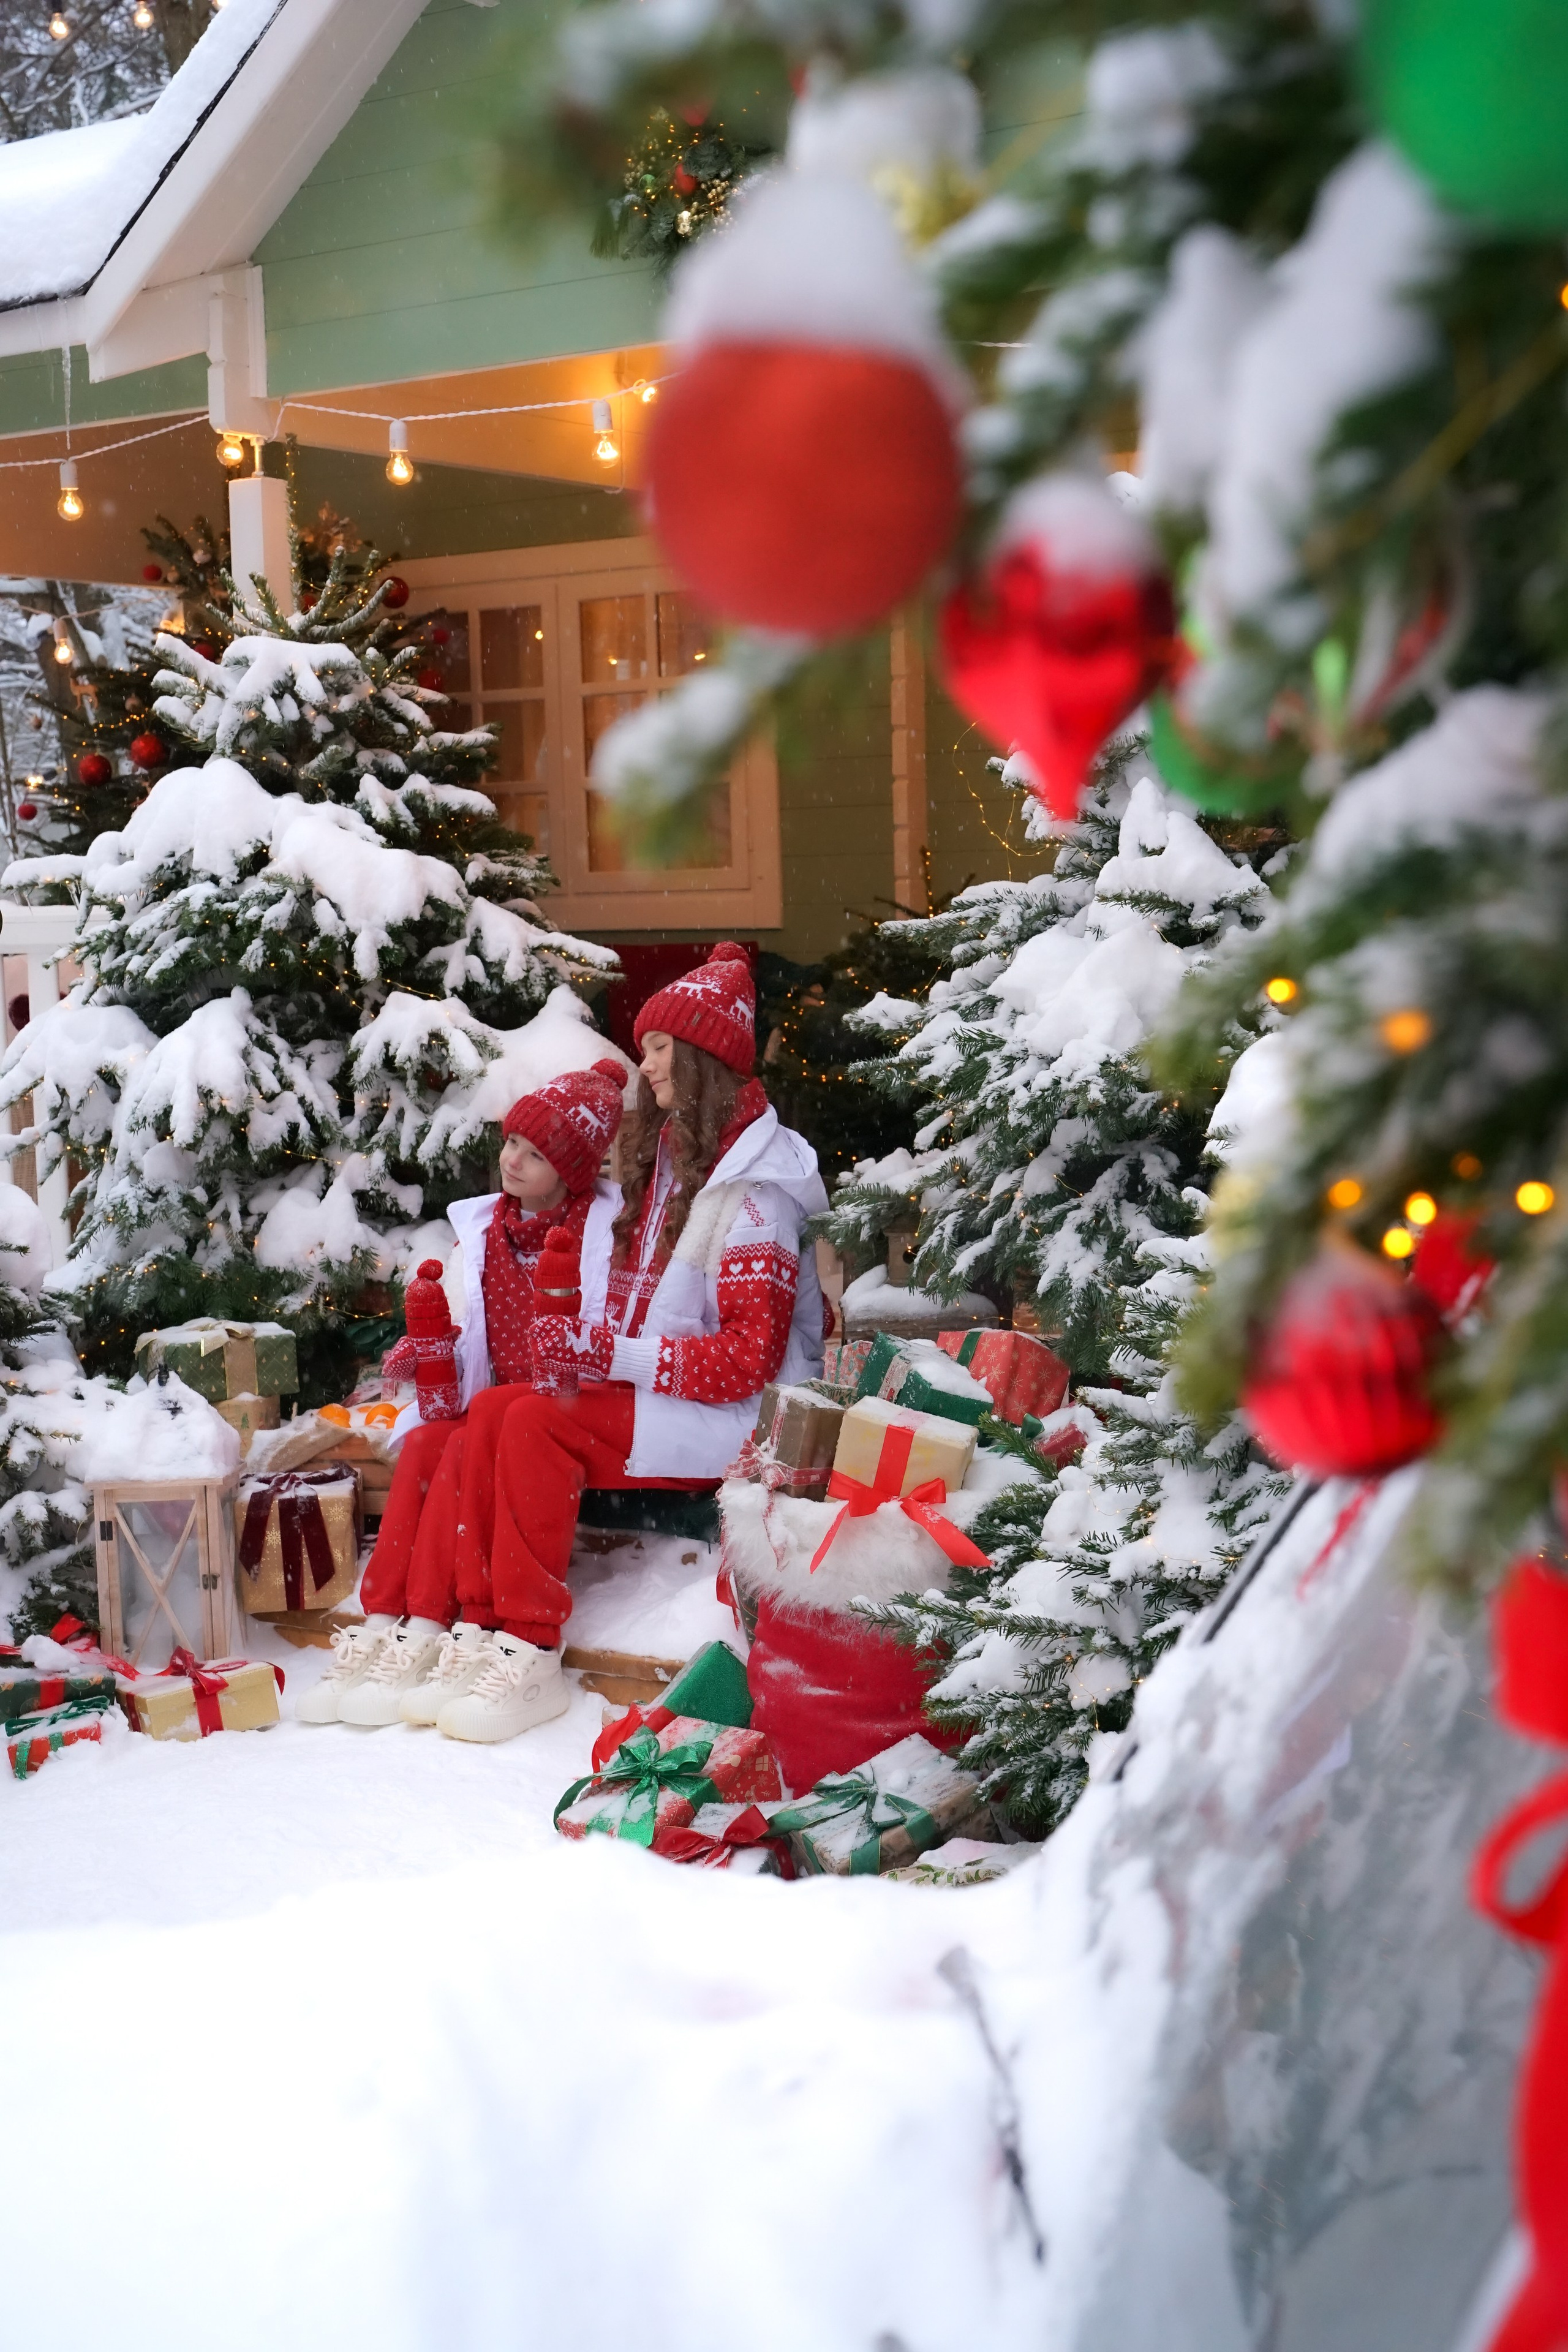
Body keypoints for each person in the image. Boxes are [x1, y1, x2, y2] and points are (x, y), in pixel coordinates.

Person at [437, 941, 829, 1745]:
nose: (644, 1063)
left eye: (657, 1046)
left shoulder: (758, 1193)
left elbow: (747, 1365)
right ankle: (478, 1624)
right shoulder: (674, 1162)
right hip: (664, 1395)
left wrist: (610, 1357)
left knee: (535, 1423)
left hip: (742, 1425)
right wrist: (592, 1342)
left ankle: (531, 1644)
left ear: (701, 1057)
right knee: (498, 1408)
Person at [298, 1058, 628, 1728]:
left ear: (569, 1170)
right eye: (511, 1143)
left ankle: (455, 1621)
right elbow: (451, 1313)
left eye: (535, 1155)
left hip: (561, 1408)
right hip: (490, 1397)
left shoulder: (604, 1233)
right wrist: (424, 1352)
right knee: (424, 1446)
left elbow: (608, 1329)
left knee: (470, 1442)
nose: (513, 1161)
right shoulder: (481, 1230)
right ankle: (392, 1618)